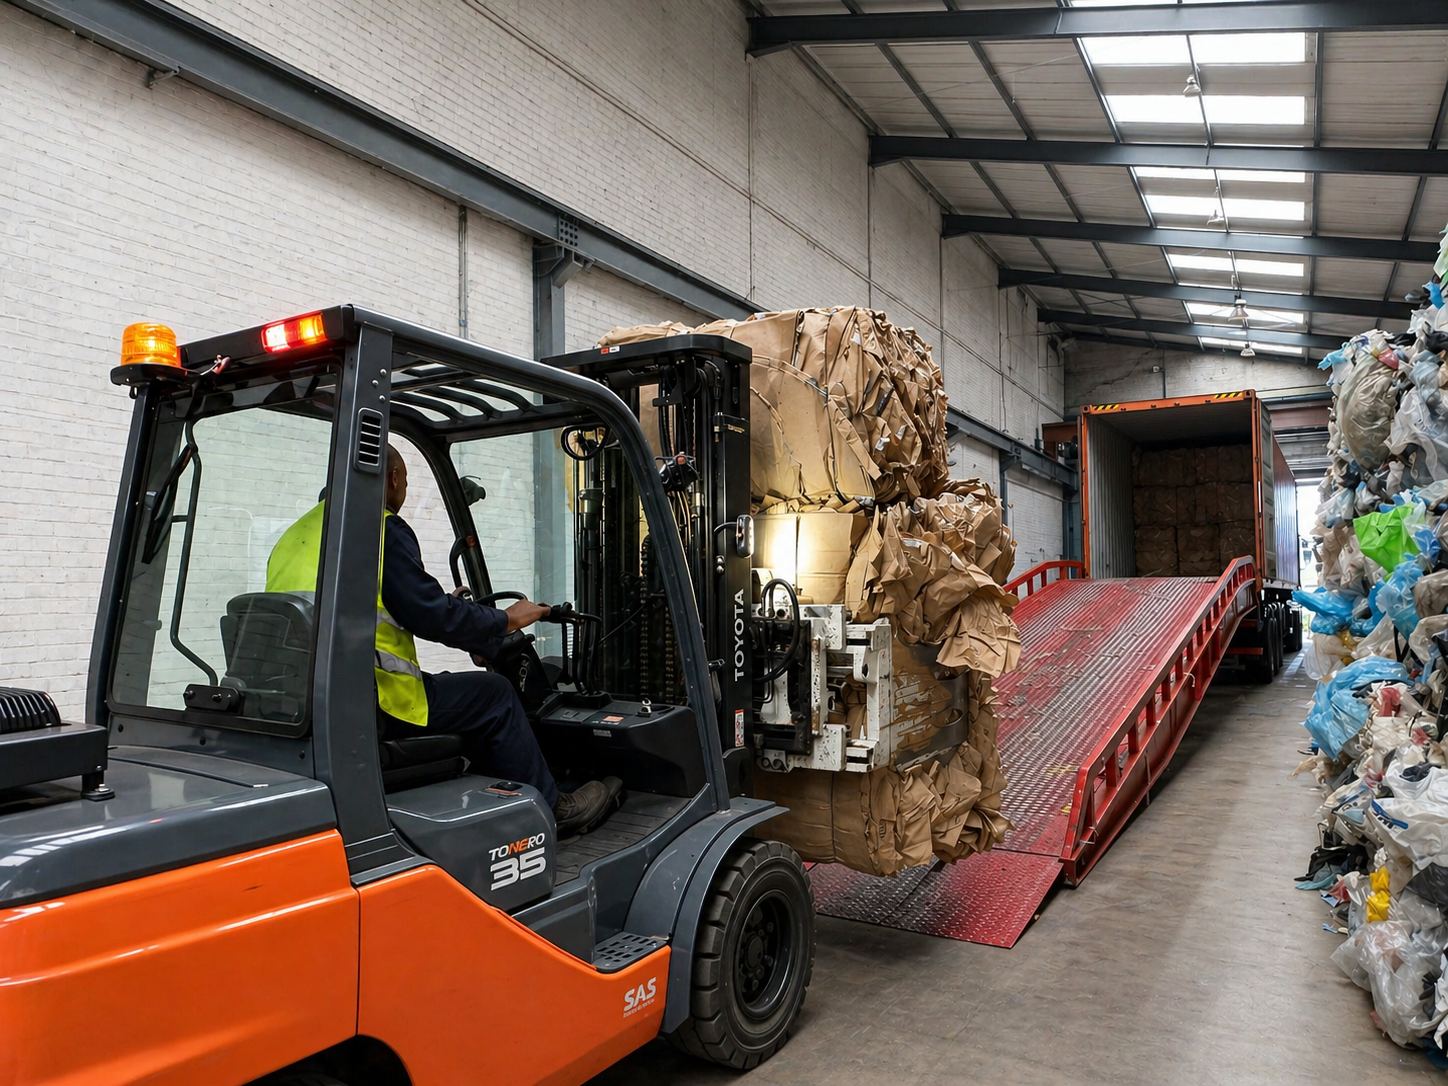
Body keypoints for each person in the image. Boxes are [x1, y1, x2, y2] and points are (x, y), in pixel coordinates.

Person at [267, 445, 621, 837]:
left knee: (461, 690)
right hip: (378, 703)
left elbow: (374, 606)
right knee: (495, 694)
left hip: (313, 702)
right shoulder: (378, 527)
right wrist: (506, 619)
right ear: (395, 478)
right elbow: (431, 616)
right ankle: (555, 810)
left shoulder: (296, 534)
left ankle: (493, 797)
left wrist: (457, 616)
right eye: (406, 482)